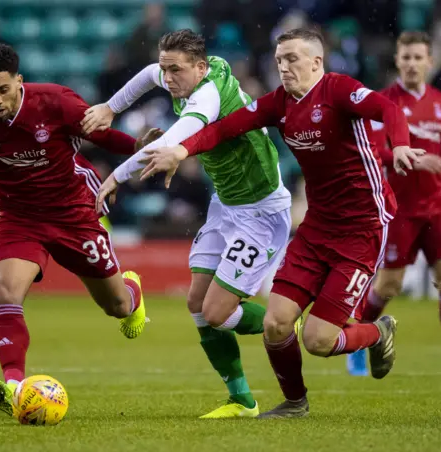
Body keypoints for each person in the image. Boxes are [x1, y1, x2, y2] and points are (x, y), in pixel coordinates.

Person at [138, 28, 424, 418]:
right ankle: (295, 403)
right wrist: (180, 149)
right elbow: (224, 128)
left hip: (363, 228)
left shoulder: (339, 90)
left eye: (292, 59)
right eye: (279, 61)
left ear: (316, 62)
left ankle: (378, 332)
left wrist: (402, 143)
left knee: (319, 340)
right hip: (316, 226)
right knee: (275, 324)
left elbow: (388, 110)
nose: (284, 67)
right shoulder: (279, 103)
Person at [0, 43, 154, 418]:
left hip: (73, 212)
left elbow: (100, 134)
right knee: (6, 289)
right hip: (18, 217)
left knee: (116, 307)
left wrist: (137, 147)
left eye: (2, 90)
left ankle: (131, 290)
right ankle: (15, 387)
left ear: (19, 81)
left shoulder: (56, 102)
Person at [82, 29, 293, 419]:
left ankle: (284, 325)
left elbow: (172, 143)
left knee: (216, 313)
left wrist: (116, 177)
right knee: (197, 303)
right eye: (167, 68)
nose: (168, 78)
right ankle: (242, 400)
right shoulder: (180, 72)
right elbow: (148, 75)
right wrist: (111, 108)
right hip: (226, 205)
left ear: (199, 68)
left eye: (175, 71)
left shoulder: (208, 96)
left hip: (261, 212)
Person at [347, 32, 441, 378]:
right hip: (400, 209)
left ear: (429, 62)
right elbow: (374, 151)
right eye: (405, 57)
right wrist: (409, 160)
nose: (411, 63)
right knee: (389, 285)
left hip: (437, 206)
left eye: (417, 57)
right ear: (397, 60)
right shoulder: (382, 102)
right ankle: (356, 342)